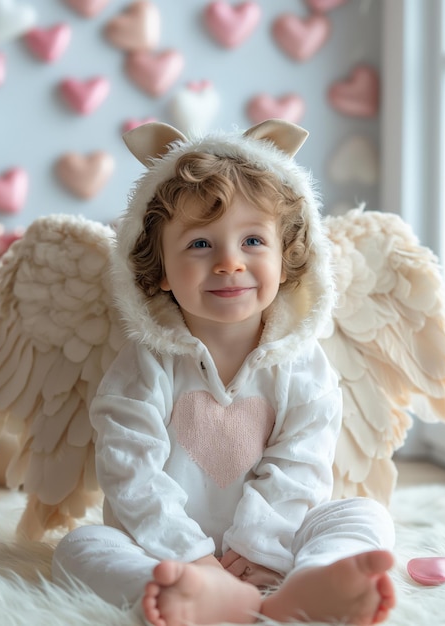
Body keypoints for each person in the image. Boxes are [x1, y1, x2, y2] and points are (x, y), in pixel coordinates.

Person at [52, 119, 396, 626]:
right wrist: (192, 558)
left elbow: (302, 462)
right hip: (163, 550)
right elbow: (132, 471)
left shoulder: (303, 364)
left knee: (363, 515)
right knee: (80, 547)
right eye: (199, 245)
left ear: (287, 260)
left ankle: (311, 582)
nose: (230, 263)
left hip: (274, 545)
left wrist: (258, 547)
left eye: (253, 241)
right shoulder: (144, 364)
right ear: (161, 268)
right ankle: (180, 593)